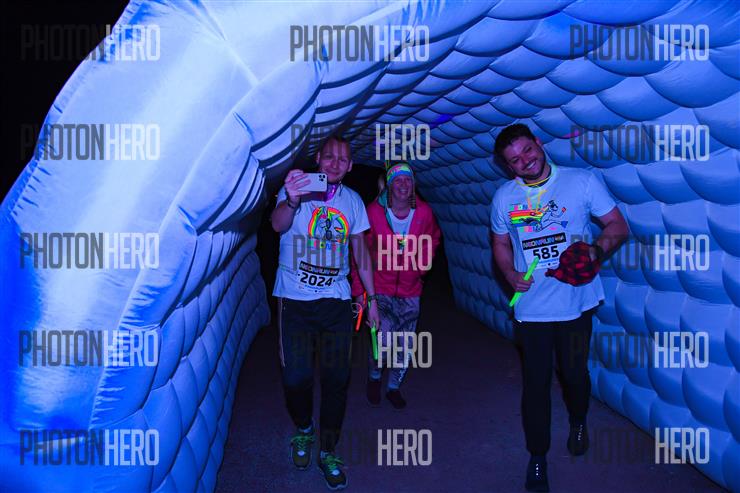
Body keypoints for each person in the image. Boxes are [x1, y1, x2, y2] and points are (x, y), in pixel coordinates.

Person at [490, 124, 629, 492]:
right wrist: (509, 273)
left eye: (527, 150)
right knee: (535, 383)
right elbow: (500, 244)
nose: (524, 161)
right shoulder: (504, 198)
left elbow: (617, 225)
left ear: (539, 143)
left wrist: (595, 251)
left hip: (576, 302)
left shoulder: (581, 181)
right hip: (531, 308)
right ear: (507, 166)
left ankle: (578, 421)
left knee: (573, 374)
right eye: (514, 160)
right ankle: (537, 457)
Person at [271, 135, 380, 490]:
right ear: (318, 158)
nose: (335, 163)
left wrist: (372, 299)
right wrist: (291, 199)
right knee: (296, 378)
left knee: (336, 380)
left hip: (336, 302)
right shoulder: (297, 188)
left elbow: (361, 252)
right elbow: (277, 225)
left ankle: (328, 450)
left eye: (342, 159)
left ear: (350, 166)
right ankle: (304, 429)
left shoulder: (353, 202)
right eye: (329, 156)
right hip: (295, 301)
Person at [351, 163, 441, 409]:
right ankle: (374, 377)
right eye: (397, 180)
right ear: (388, 186)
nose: (403, 185)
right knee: (382, 343)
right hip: (380, 289)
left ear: (414, 184)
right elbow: (359, 254)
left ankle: (393, 387)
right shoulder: (373, 213)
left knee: (405, 345)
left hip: (411, 291)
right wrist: (360, 292)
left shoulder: (424, 212)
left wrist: (423, 266)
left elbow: (433, 238)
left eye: (408, 180)